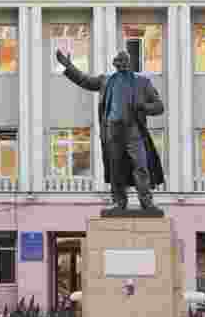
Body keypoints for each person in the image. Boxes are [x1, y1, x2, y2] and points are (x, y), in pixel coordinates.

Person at [55, 49, 165, 212]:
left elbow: (159, 107)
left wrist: (143, 106)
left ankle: (146, 201)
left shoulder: (143, 82)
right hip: (113, 130)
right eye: (119, 61)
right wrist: (69, 67)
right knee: (116, 168)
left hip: (133, 130)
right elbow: (85, 81)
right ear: (115, 64)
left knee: (141, 166)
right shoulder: (106, 81)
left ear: (130, 63)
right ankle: (119, 202)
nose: (122, 63)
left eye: (125, 60)